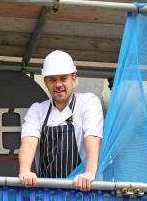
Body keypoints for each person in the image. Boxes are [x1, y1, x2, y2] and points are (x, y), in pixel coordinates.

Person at [18, 50, 103, 192]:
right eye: (52, 79)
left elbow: (93, 136)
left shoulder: (89, 102)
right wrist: (25, 170)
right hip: (47, 196)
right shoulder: (38, 110)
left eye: (63, 79)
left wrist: (89, 173)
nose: (58, 85)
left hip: (83, 192)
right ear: (45, 82)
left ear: (74, 79)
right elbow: (28, 142)